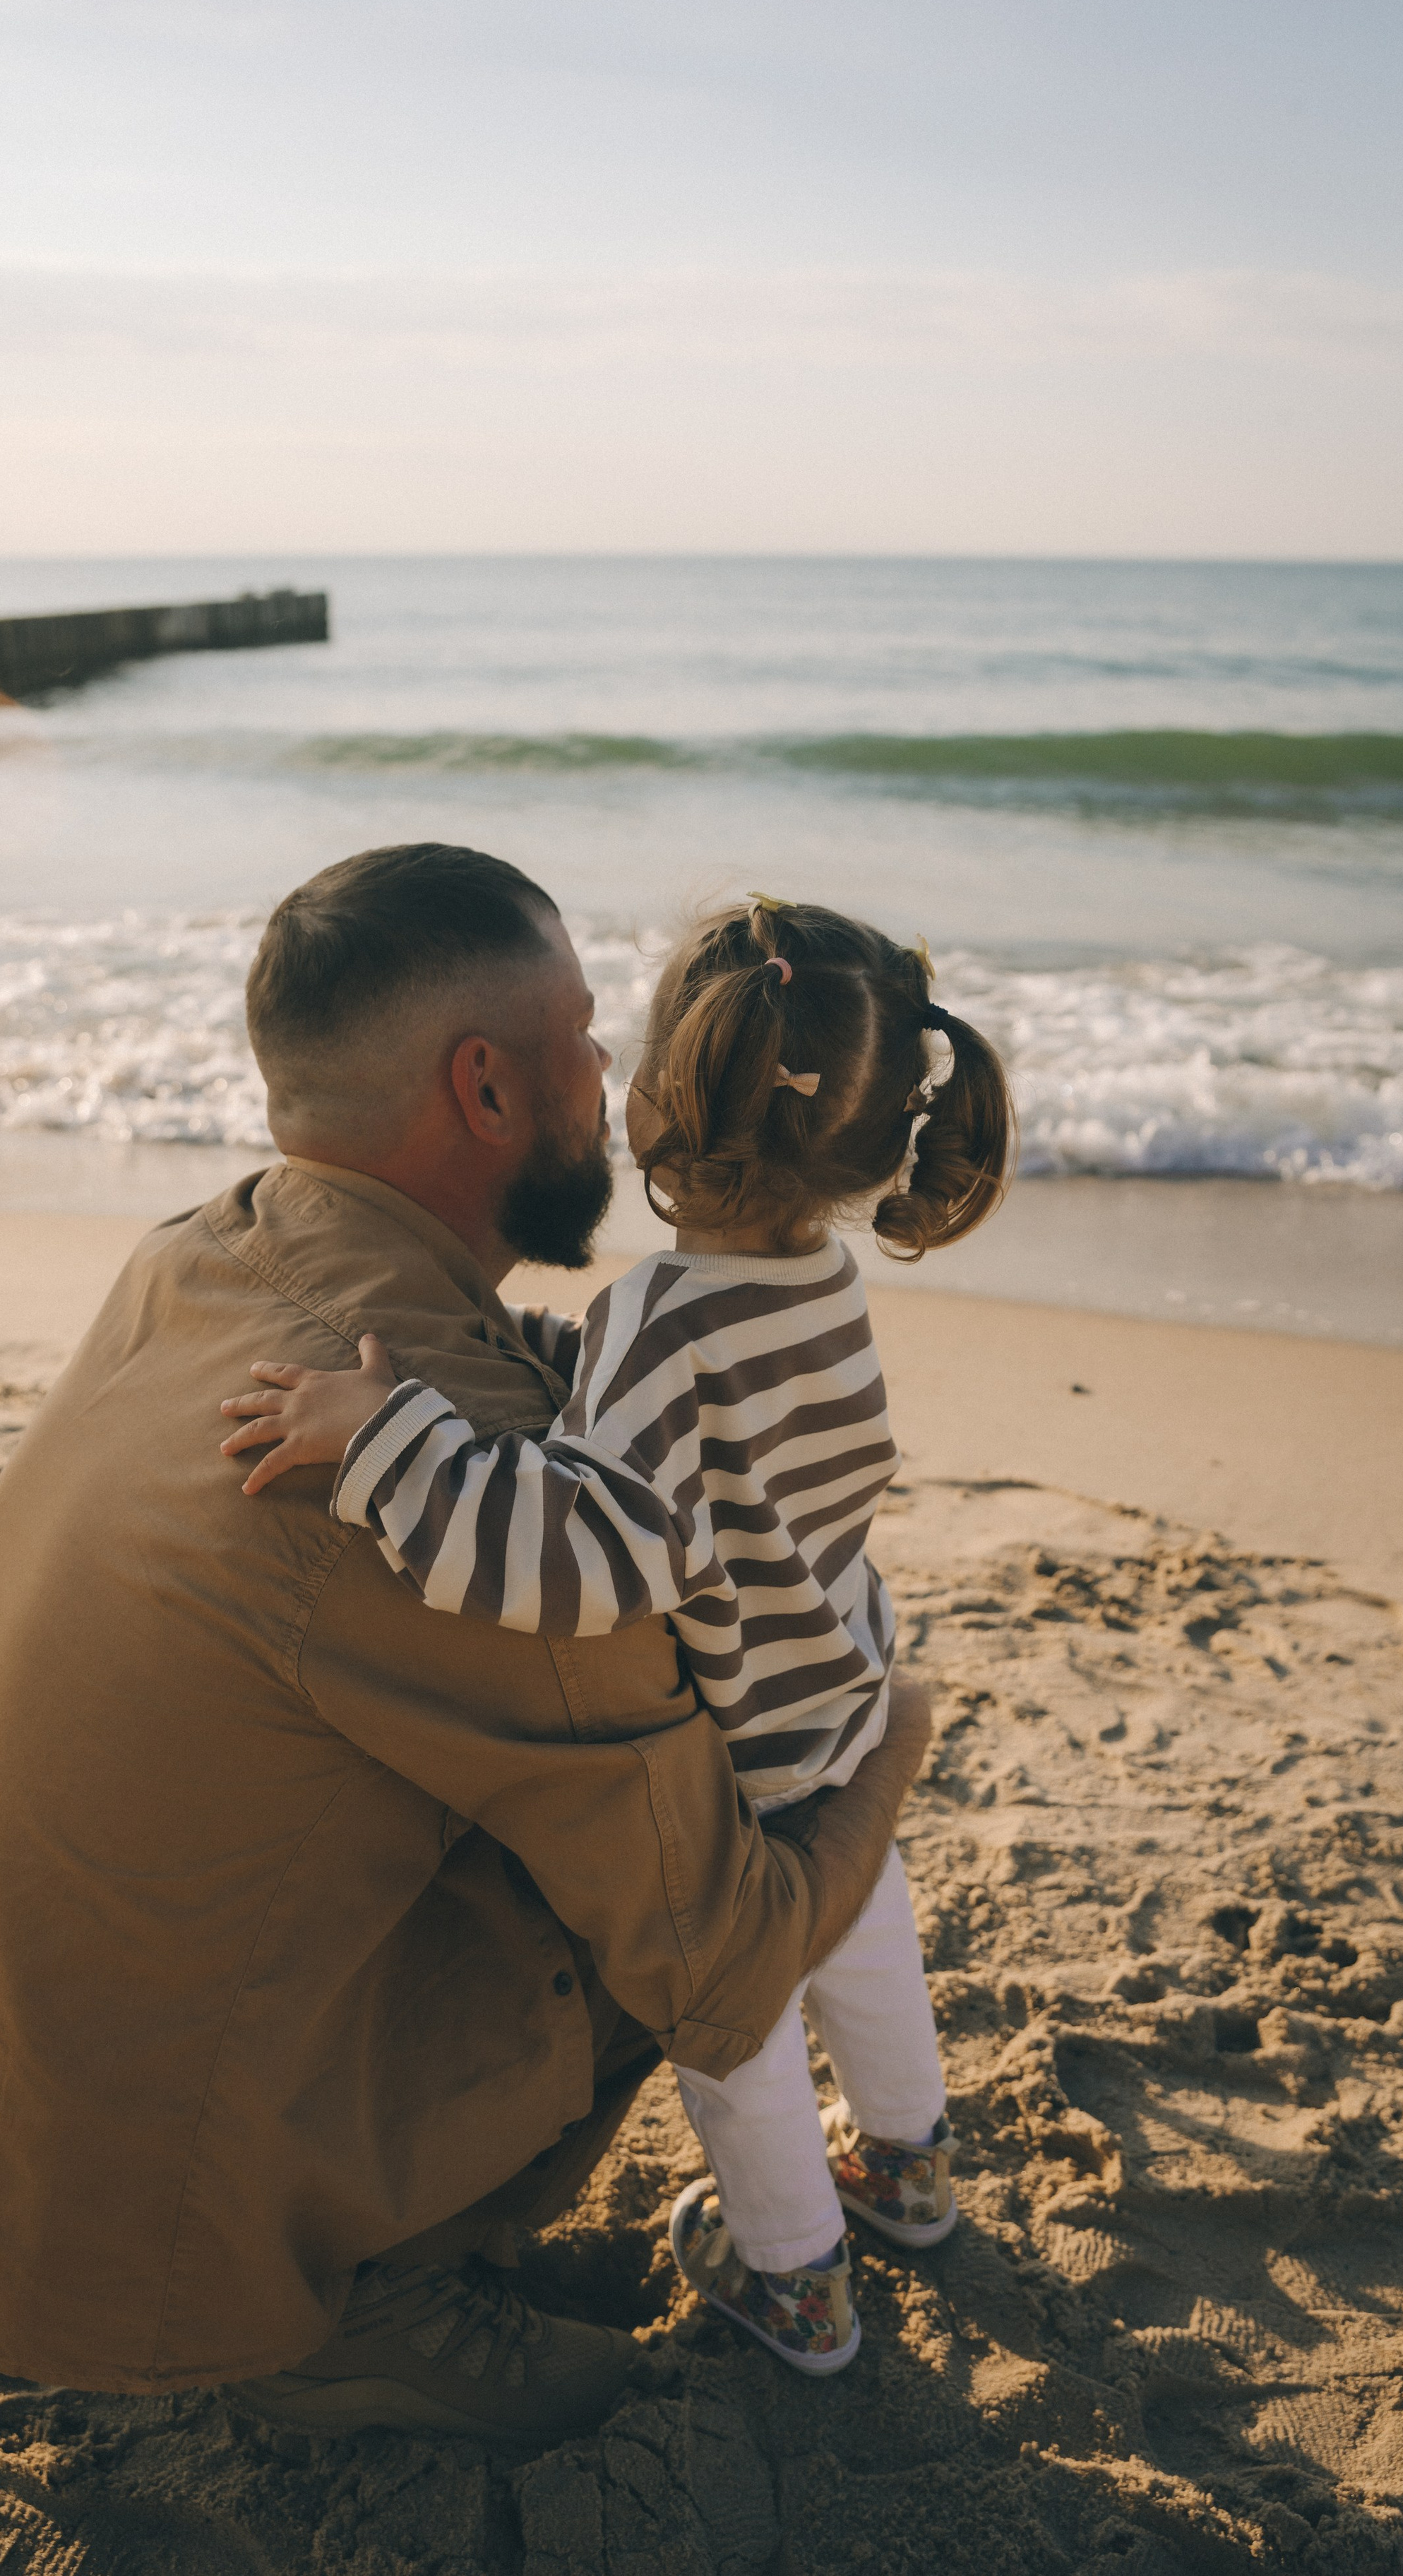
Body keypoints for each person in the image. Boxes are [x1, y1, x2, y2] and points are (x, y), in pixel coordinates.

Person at [0, 844, 933, 2452]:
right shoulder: (427, 1478)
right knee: (701, 1823)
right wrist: (893, 1733)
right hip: (144, 2234)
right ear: (485, 1087)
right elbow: (721, 1955)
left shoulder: (207, 1249)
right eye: (582, 1032)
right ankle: (357, 2313)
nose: (614, 1070)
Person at [219, 895, 1013, 2377]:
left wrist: (387, 1439)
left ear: (667, 1098)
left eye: (625, 1042)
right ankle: (907, 2167)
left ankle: (792, 2279)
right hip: (834, 1680)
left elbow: (583, 1550)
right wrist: (531, 1364)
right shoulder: (811, 1283)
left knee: (739, 2011)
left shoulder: (662, 1313)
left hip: (749, 1750)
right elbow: (677, 1431)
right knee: (864, 1931)